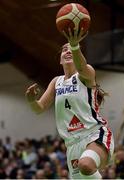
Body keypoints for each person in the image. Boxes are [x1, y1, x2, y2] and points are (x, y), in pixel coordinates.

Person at [25, 27, 114, 179]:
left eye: (70, 50)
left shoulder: (86, 74)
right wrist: (31, 100)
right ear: (60, 59)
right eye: (64, 50)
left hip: (93, 133)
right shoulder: (56, 82)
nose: (67, 51)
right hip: (72, 144)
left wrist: (75, 45)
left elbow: (81, 66)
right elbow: (39, 108)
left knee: (86, 165)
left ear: (78, 55)